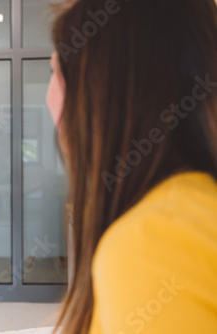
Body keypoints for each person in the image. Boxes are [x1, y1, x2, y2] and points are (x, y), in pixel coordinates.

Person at [46, 0, 217, 333]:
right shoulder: (194, 207)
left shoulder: (155, 240)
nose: (50, 96)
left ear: (96, 92)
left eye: (54, 71)